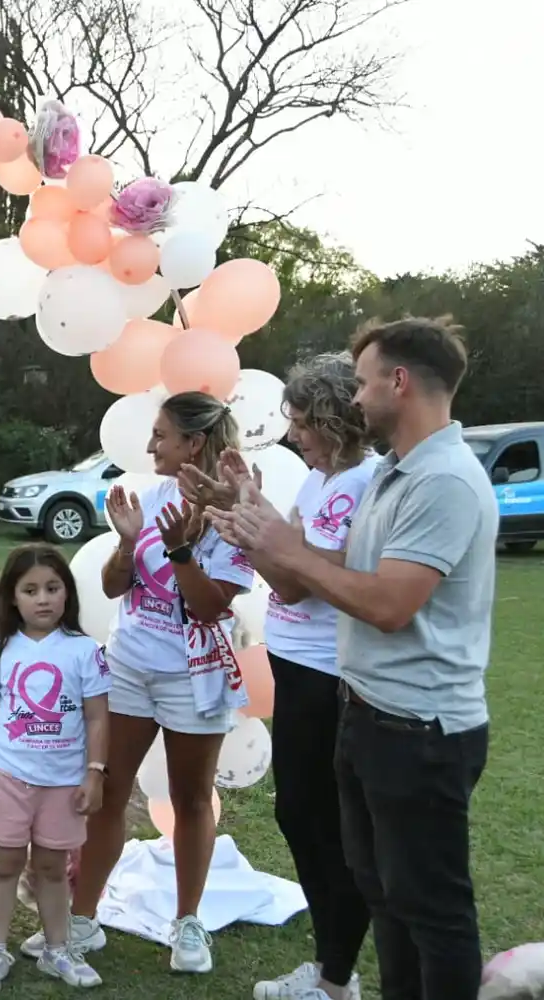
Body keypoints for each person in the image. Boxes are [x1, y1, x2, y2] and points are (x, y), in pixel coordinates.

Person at [215, 317, 495, 1000]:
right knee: (387, 897)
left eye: (365, 382)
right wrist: (268, 533)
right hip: (370, 717)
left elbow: (387, 604)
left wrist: (284, 548)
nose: (357, 398)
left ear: (400, 383)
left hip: (421, 732)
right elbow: (345, 566)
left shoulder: (445, 482)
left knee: (432, 911)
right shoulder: (401, 474)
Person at [184, 354, 377, 1000]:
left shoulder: (368, 483)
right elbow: (287, 563)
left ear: (331, 418)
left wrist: (246, 525)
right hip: (296, 667)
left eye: (301, 423)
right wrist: (246, 512)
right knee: (299, 815)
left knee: (320, 820)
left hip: (330, 675)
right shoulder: (322, 481)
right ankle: (331, 970)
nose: (294, 436)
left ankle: (334, 979)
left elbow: (294, 579)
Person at [70, 391, 253, 975]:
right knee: (107, 793)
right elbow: (112, 587)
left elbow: (207, 609)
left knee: (192, 798)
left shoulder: (234, 512)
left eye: (160, 435)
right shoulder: (148, 496)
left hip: (192, 677)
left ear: (193, 443)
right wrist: (126, 545)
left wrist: (180, 550)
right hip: (127, 667)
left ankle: (188, 923)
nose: (150, 445)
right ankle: (81, 917)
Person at [0, 545, 110, 994]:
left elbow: (97, 717)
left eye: (52, 588)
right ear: (13, 598)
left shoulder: (86, 651)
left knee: (52, 866)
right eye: (30, 590)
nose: (43, 599)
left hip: (64, 783)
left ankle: (57, 949)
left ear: (68, 593)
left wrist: (95, 772)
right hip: (7, 777)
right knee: (5, 862)